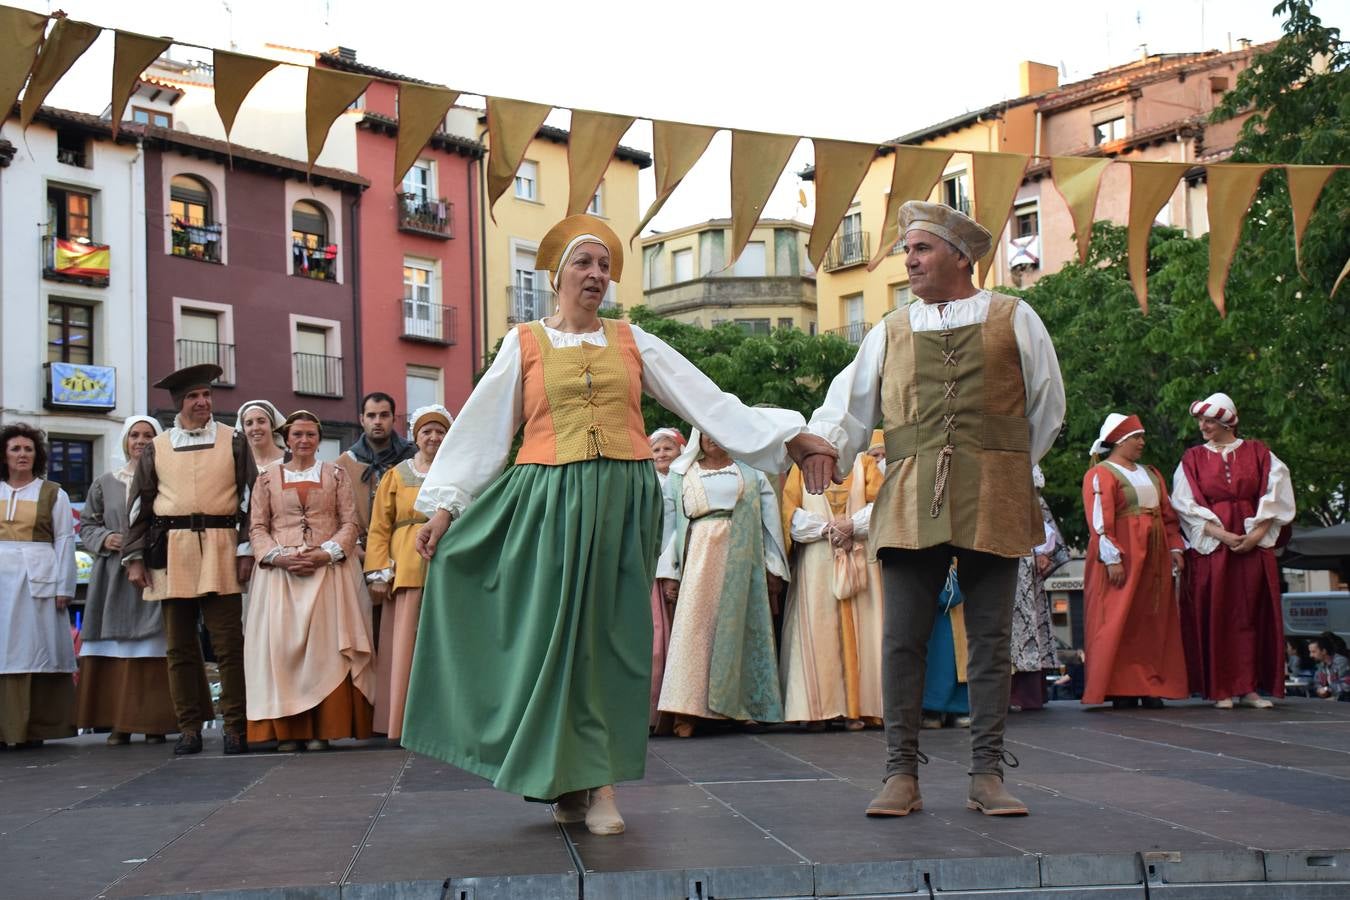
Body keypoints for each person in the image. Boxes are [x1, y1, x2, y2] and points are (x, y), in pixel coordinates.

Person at [402, 214, 831, 836]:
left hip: (624, 498)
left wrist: (789, 434)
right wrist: (445, 508)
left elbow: (703, 397)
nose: (597, 275)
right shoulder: (523, 342)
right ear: (558, 277)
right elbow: (482, 431)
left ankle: (598, 781)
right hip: (547, 498)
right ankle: (563, 777)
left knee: (609, 640)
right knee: (554, 641)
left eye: (605, 266)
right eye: (585, 264)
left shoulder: (632, 341)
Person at [798, 200, 1065, 818]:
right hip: (911, 490)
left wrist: (1005, 462)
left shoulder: (1016, 317)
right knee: (902, 639)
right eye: (908, 250)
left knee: (993, 638)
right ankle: (900, 774)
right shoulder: (888, 330)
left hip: (995, 488)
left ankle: (987, 774)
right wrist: (823, 448)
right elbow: (850, 409)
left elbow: (1047, 406)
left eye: (921, 249)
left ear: (961, 257)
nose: (910, 260)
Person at [123, 364, 257, 755]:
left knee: (229, 645)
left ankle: (235, 726)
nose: (202, 402)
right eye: (193, 397)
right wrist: (134, 557)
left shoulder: (233, 440)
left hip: (220, 545)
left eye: (206, 395)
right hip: (171, 548)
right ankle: (189, 728)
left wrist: (246, 549)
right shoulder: (157, 447)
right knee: (180, 647)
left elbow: (250, 501)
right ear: (179, 403)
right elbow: (140, 507)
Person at [245, 411, 375, 751]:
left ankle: (323, 728)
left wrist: (327, 552)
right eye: (297, 434)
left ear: (319, 439)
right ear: (286, 439)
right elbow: (257, 526)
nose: (304, 440)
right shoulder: (268, 478)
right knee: (282, 651)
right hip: (280, 577)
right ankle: (290, 731)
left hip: (327, 573)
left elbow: (351, 523)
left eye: (311, 435)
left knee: (326, 651)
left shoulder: (336, 474)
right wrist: (279, 556)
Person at [76, 417, 210, 744]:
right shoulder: (105, 483)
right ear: (125, 441)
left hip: (157, 569)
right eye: (134, 435)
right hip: (114, 578)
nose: (140, 440)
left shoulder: (168, 480)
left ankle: (157, 722)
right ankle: (117, 723)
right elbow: (87, 524)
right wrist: (106, 538)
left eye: (148, 435)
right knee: (117, 647)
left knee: (159, 645)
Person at [657, 431, 789, 737]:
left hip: (744, 558)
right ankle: (687, 711)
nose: (713, 439)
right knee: (696, 632)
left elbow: (769, 522)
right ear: (697, 437)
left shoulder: (751, 473)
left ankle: (742, 707)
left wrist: (772, 566)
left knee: (739, 628)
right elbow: (670, 526)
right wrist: (670, 572)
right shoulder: (682, 474)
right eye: (707, 433)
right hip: (700, 558)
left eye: (720, 432)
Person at [1172, 392, 1296, 709]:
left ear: (1226, 422)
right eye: (1201, 421)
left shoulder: (1258, 453)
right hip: (1215, 547)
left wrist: (1254, 536)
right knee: (1218, 613)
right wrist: (1223, 535)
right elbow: (1185, 506)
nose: (1203, 426)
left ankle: (1250, 687)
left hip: (1253, 546)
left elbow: (1276, 494)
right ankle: (1221, 687)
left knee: (1252, 612)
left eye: (1209, 421)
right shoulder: (1193, 459)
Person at [1081, 414, 1189, 709]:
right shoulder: (1102, 474)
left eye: (1141, 437)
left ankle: (1151, 683)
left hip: (1153, 555)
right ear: (1118, 440)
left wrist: (1175, 549)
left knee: (1152, 618)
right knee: (1119, 617)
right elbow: (1100, 519)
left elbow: (1167, 516)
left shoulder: (1151, 473)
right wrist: (1111, 557)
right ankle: (1121, 686)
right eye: (1136, 438)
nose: (1142, 443)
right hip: (1123, 554)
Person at [779, 442, 885, 731]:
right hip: (817, 560)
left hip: (860, 553)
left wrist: (853, 526)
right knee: (817, 628)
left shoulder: (865, 463)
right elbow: (790, 513)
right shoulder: (800, 469)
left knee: (865, 628)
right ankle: (819, 709)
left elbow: (882, 502)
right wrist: (826, 529)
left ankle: (860, 708)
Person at [364, 404, 450, 739]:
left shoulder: (456, 474)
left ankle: (443, 723)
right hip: (406, 569)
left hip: (446, 569)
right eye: (427, 431)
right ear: (416, 436)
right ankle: (400, 721)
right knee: (403, 647)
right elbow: (379, 526)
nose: (433, 437)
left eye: (440, 431)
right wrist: (379, 570)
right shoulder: (397, 475)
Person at [0, 423, 77, 748]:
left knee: (36, 649)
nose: (22, 454)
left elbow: (64, 540)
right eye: (16, 448)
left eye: (28, 449)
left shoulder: (52, 493)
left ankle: (34, 728)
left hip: (38, 582)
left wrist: (64, 586)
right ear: (4, 454)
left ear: (37, 455)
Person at [1010, 466, 1067, 712]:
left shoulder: (1028, 475)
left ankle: (1025, 693)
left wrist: (1043, 549)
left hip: (1024, 560)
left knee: (1026, 623)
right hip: (1002, 555)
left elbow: (1038, 512)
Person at [648, 426, 685, 732]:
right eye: (656, 450)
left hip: (670, 563)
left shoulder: (681, 484)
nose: (661, 455)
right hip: (648, 563)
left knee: (669, 640)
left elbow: (677, 528)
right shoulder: (647, 481)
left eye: (667, 449)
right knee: (654, 641)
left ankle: (668, 713)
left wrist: (670, 568)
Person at [236, 400, 287, 471]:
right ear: (244, 430)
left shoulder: (293, 460)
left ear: (272, 426)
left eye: (261, 421)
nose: (255, 428)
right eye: (249, 423)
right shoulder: (238, 466)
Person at [1308, 632, 1350, 700]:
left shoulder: (1340, 661)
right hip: (1329, 700)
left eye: (1313, 652)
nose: (1311, 655)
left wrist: (1327, 689)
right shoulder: (1321, 665)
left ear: (1324, 651)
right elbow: (1316, 683)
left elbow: (1346, 684)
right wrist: (1319, 689)